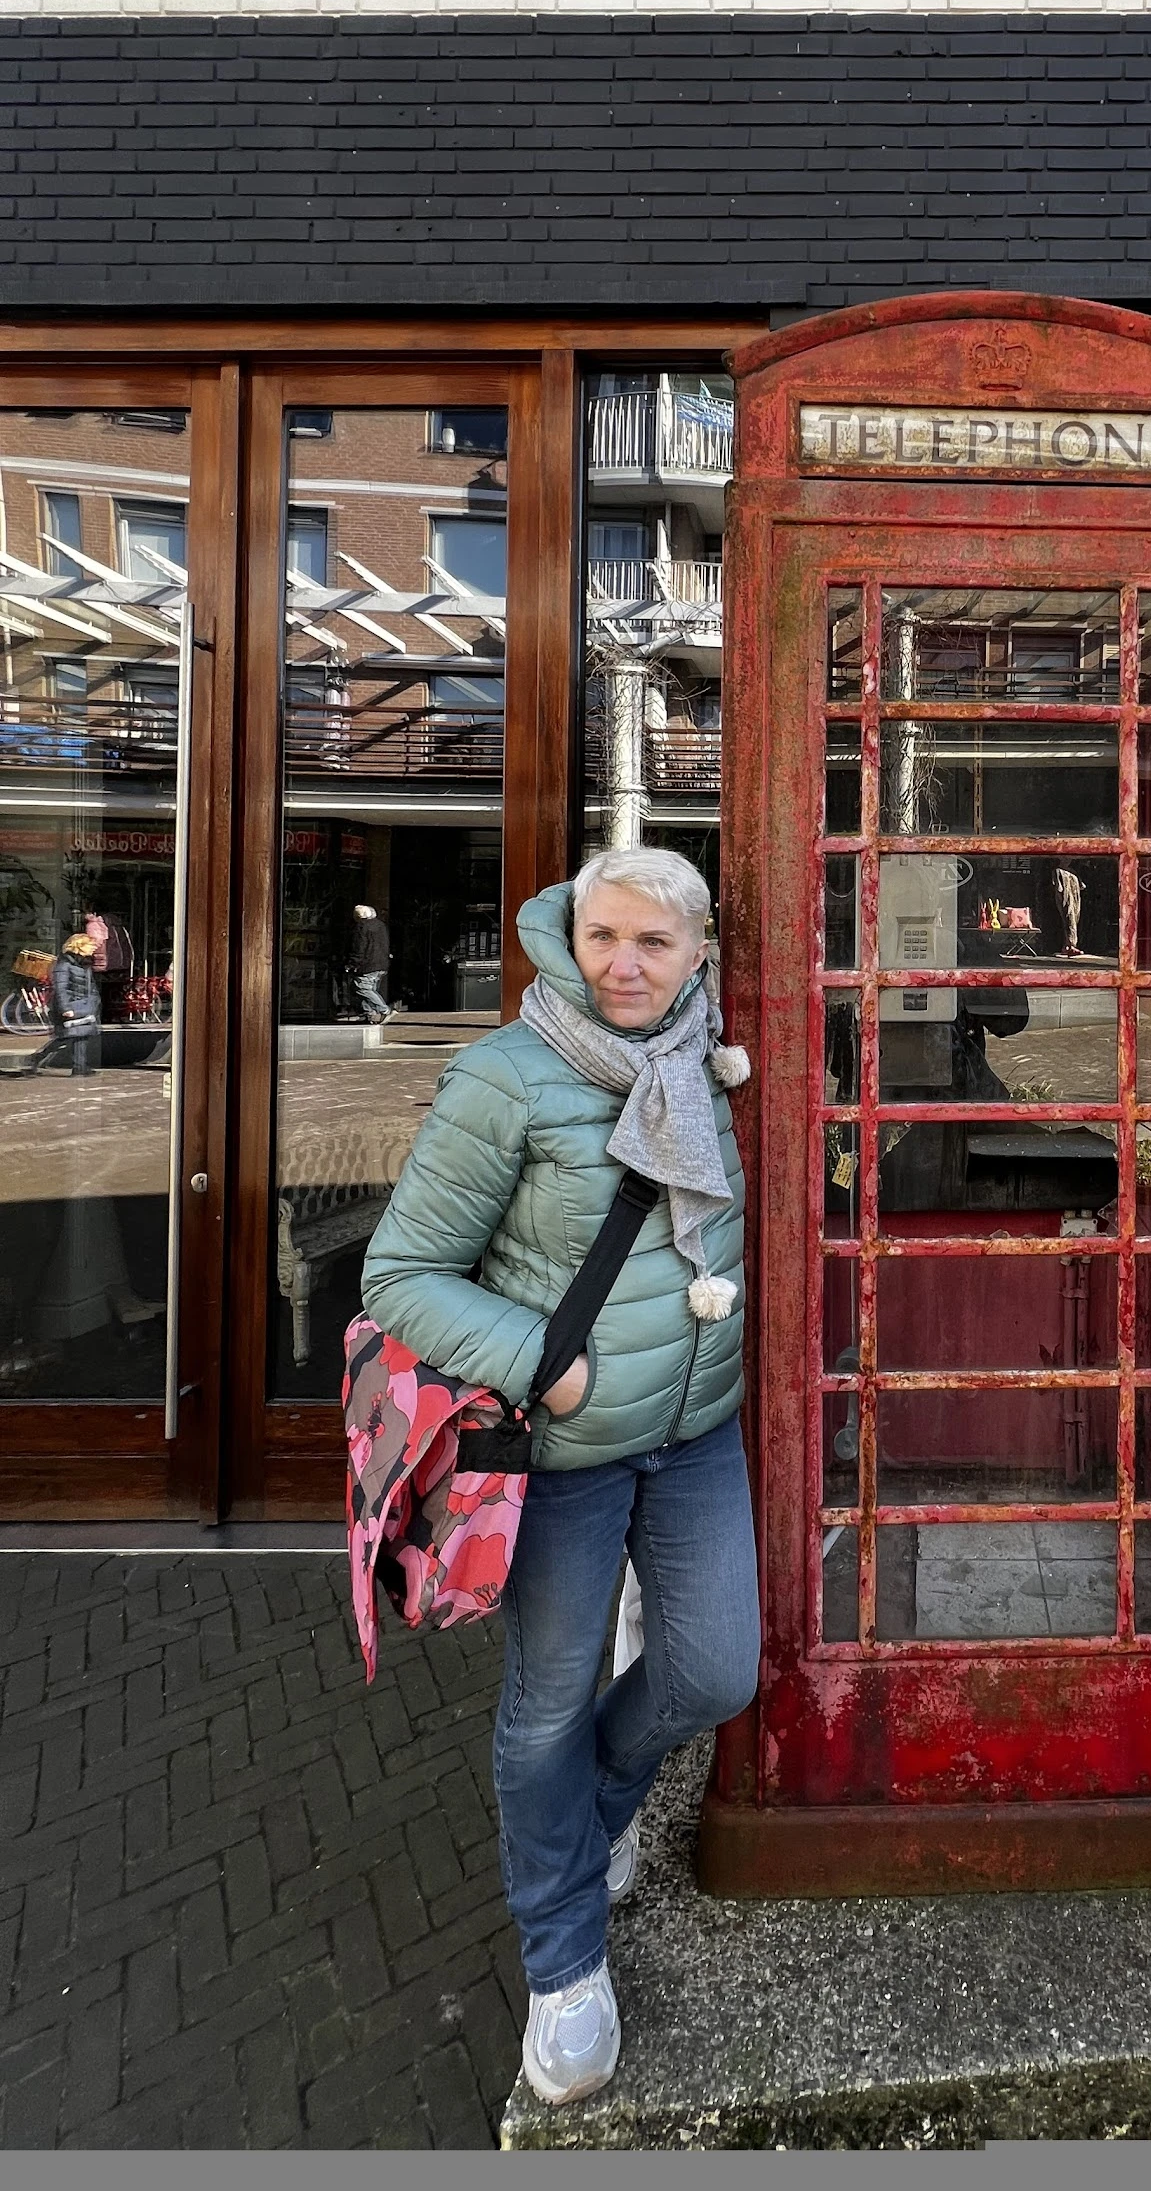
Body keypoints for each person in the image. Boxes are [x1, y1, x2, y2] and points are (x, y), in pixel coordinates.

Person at [361, 848, 758, 2109]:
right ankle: (564, 1956)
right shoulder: (509, 1075)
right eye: (601, 938)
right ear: (566, 937)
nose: (624, 964)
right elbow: (401, 1273)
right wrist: (547, 1364)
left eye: (653, 941)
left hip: (698, 1430)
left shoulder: (708, 1057)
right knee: (541, 1707)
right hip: (561, 1456)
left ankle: (597, 1806)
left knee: (715, 1667)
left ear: (699, 953)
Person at [29, 931, 103, 1077]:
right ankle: (37, 1058)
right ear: (80, 946)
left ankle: (79, 1068)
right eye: (90, 945)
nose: (94, 948)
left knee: (81, 1036)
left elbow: (90, 986)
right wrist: (65, 1008)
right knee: (65, 1036)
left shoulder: (84, 964)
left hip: (84, 1006)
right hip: (72, 1006)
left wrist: (94, 1002)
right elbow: (60, 989)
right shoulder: (64, 965)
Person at [347, 902, 392, 1023]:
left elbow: (360, 948)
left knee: (362, 988)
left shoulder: (361, 928)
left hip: (368, 965)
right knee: (369, 989)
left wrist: (353, 963)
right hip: (381, 963)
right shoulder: (380, 926)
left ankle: (384, 1010)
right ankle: (368, 1013)